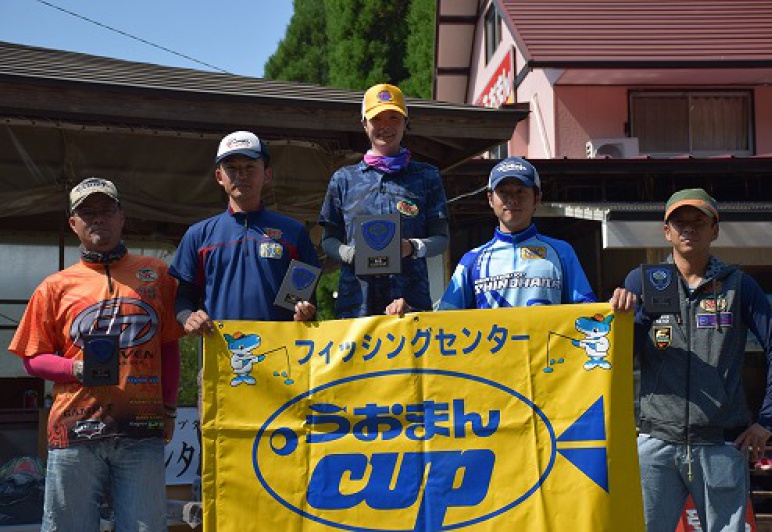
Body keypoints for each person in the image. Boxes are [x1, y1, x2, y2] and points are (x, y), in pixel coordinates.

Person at [8, 177, 183, 531]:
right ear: (73, 224)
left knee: (146, 526)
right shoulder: (54, 286)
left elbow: (169, 345)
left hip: (140, 430)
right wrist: (75, 367)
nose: (97, 219)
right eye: (87, 212)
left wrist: (168, 408)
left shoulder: (157, 274)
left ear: (122, 216)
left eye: (106, 210)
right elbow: (32, 357)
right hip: (74, 432)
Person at [623, 188, 772, 532]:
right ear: (666, 231)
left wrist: (767, 421)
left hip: (721, 442)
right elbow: (619, 353)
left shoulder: (738, 285)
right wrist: (629, 316)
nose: (689, 229)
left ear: (715, 229)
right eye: (679, 222)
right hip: (656, 441)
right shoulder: (643, 282)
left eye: (698, 221)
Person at [417, 156, 635, 313]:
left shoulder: (562, 252)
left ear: (537, 198)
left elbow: (587, 313)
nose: (512, 199)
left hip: (547, 372)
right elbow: (444, 320)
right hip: (492, 374)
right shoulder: (472, 260)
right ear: (490, 199)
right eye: (504, 192)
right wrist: (409, 315)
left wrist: (616, 306)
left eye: (521, 191)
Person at [319, 83, 450, 318]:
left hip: (411, 304)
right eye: (376, 119)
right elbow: (329, 239)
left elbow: (441, 239)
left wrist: (411, 248)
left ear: (405, 123)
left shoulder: (427, 176)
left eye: (394, 117)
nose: (385, 126)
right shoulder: (343, 179)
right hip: (356, 305)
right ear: (364, 124)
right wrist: (350, 254)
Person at [170, 130, 319, 335]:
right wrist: (188, 317)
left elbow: (305, 299)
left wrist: (304, 313)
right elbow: (183, 298)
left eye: (250, 167)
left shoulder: (294, 232)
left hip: (281, 353)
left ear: (267, 174)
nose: (241, 175)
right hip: (221, 354)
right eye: (232, 168)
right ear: (219, 176)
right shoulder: (198, 235)